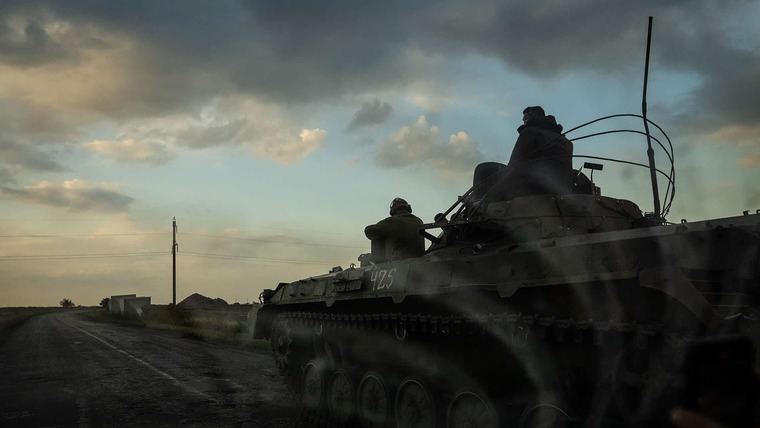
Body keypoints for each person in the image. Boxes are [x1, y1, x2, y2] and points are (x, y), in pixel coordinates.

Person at [491, 106, 574, 201]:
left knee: (484, 169)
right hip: (563, 188)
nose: (523, 119)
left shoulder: (529, 132)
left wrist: (494, 190)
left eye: (525, 117)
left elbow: (514, 164)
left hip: (535, 187)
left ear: (533, 117)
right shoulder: (566, 141)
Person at [364, 198, 425, 262]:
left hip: (398, 262)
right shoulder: (419, 220)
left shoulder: (391, 221)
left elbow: (369, 230)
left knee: (376, 234)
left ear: (393, 210)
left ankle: (379, 264)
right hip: (419, 260)